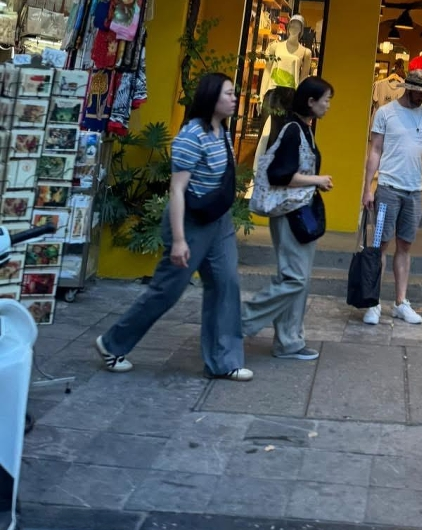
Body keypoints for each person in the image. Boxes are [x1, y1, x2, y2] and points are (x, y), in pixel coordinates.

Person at [94, 73, 251, 381]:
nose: (234, 98)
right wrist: (179, 240)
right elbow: (177, 190)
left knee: (226, 283)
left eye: (234, 93)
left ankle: (224, 361)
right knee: (167, 290)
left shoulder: (221, 131)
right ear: (211, 97)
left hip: (218, 221)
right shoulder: (191, 136)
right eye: (228, 93)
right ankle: (112, 344)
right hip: (189, 221)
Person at [242, 77, 334, 361]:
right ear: (311, 101)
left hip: (298, 211)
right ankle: (240, 321)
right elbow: (279, 175)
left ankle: (289, 341)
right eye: (326, 100)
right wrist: (317, 180)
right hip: (290, 213)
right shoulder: (293, 130)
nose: (328, 106)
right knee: (294, 279)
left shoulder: (303, 129)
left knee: (297, 280)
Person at [361, 69, 422, 325]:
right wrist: (367, 187)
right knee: (379, 244)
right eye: (420, 93)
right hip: (387, 187)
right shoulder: (385, 113)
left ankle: (400, 302)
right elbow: (375, 150)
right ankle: (373, 302)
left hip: (414, 190)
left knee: (405, 245)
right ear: (409, 89)